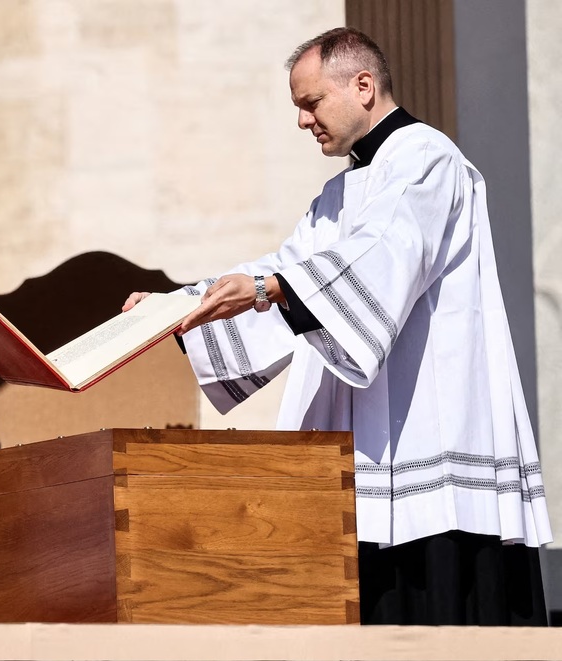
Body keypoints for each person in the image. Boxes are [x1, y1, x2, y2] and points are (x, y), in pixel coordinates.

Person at [125, 27, 553, 625]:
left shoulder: (427, 158)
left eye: (311, 102)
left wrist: (271, 289)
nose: (303, 121)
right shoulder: (339, 193)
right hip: (371, 443)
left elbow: (383, 255)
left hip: (431, 431)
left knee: (440, 610)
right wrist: (178, 307)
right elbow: (281, 269)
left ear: (363, 86)